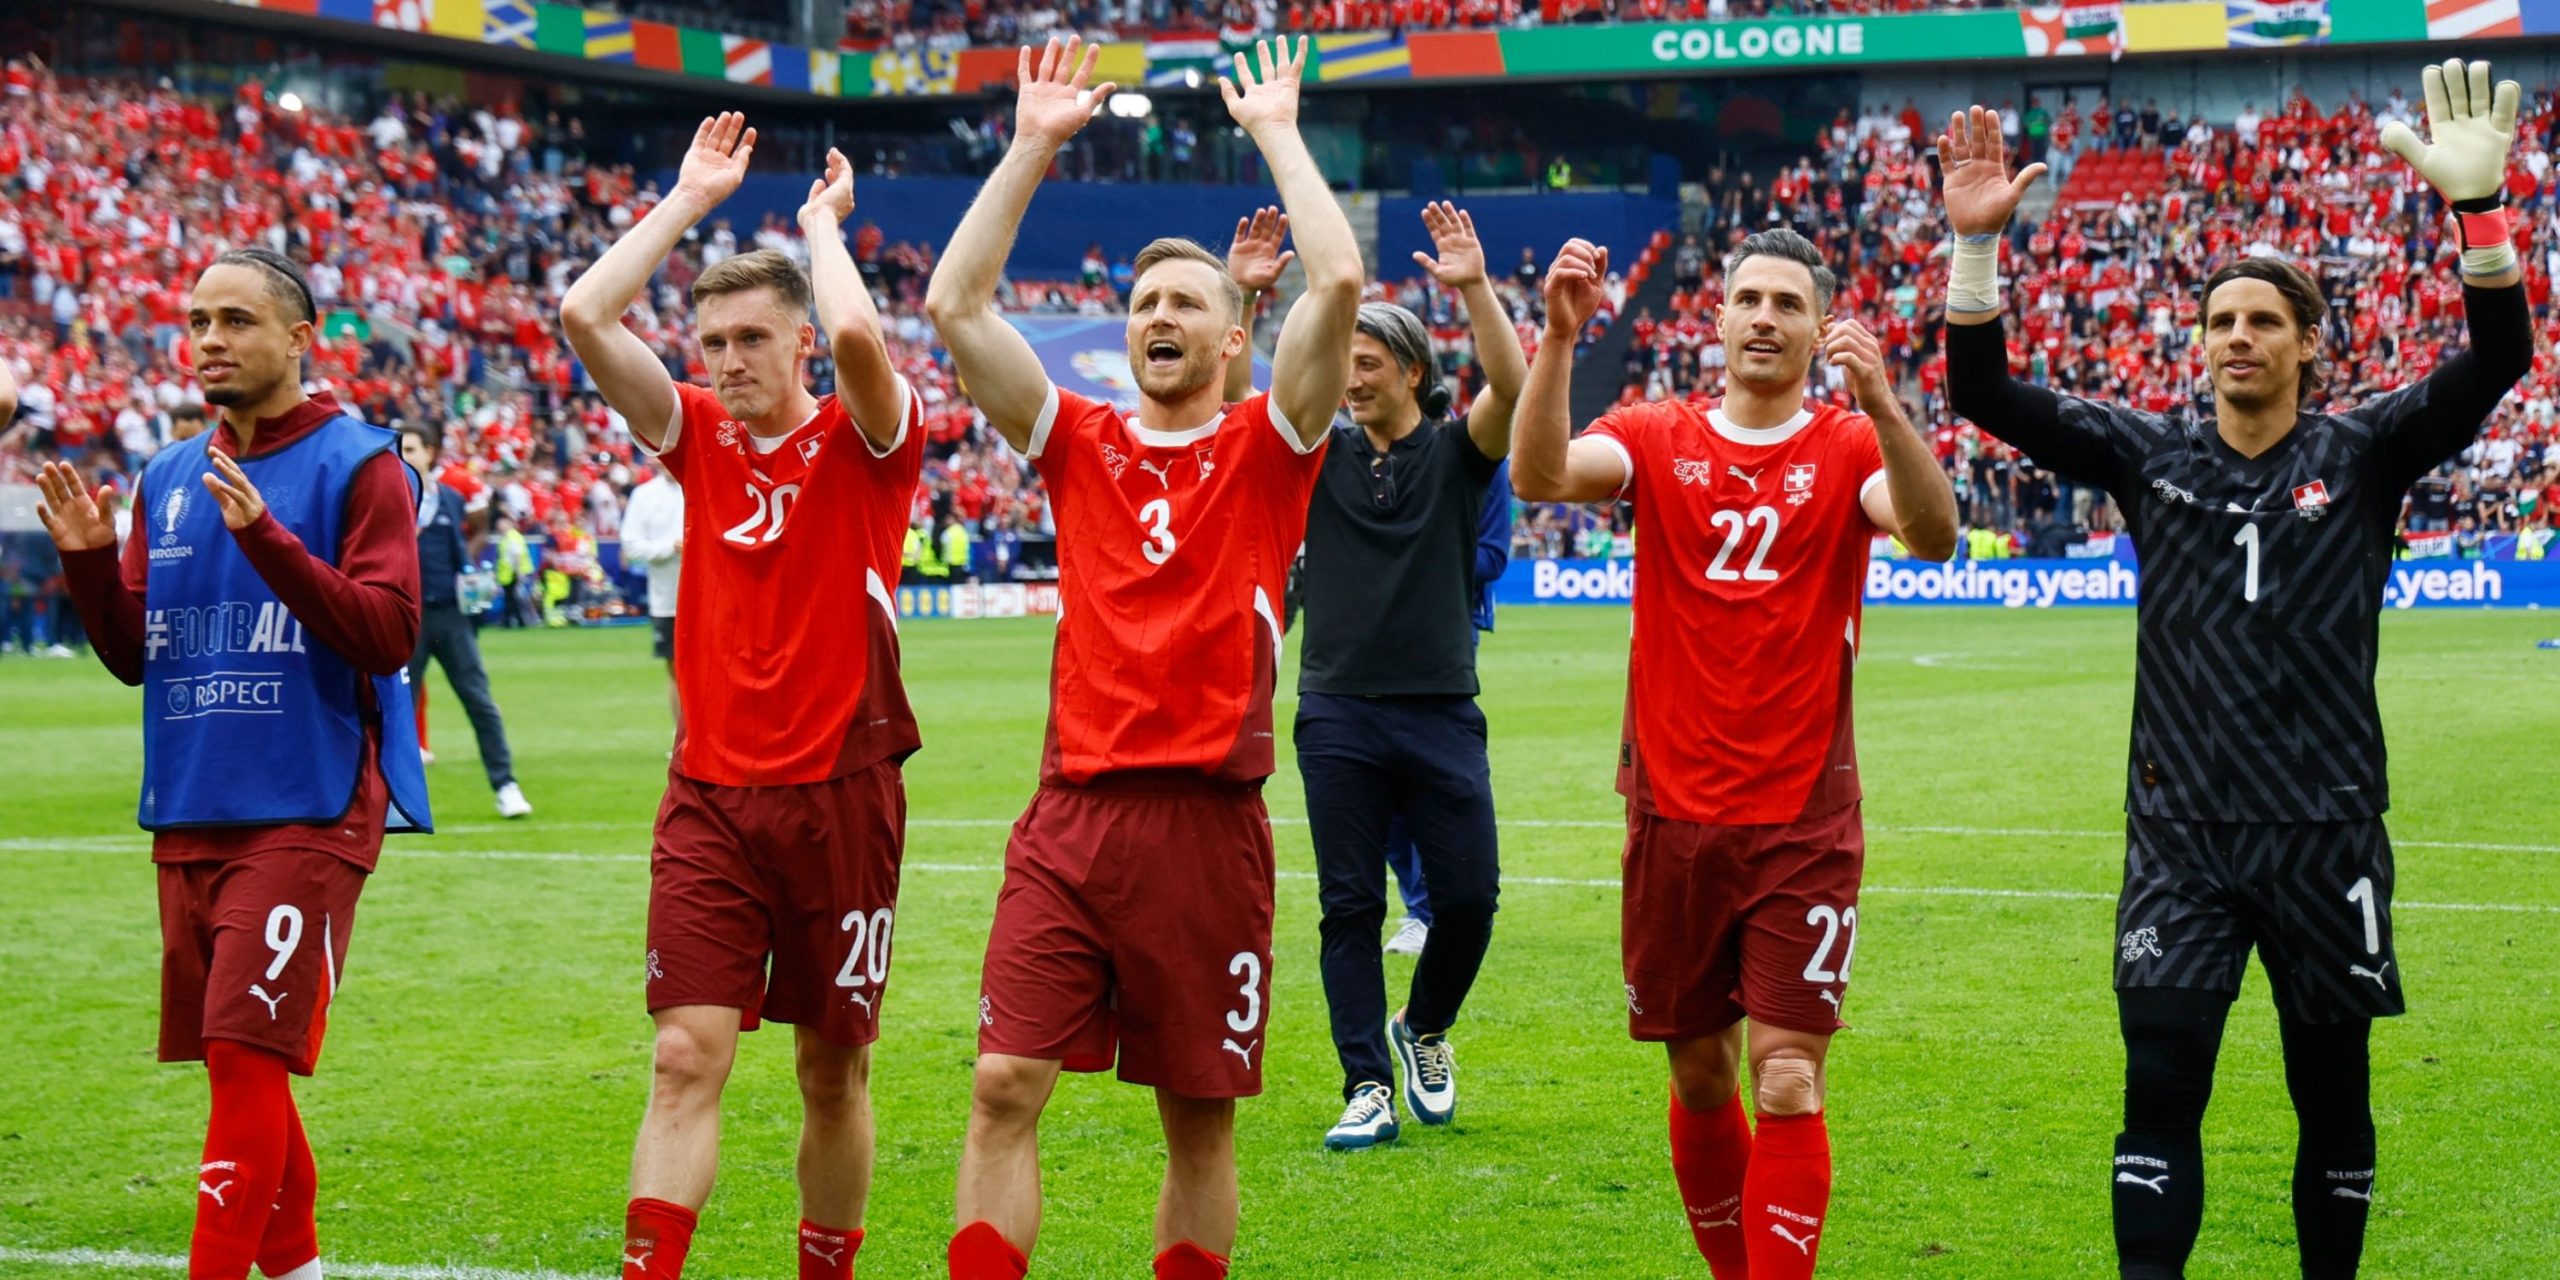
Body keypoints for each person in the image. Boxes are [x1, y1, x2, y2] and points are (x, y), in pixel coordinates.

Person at [1938, 61, 2528, 1280]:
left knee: (2332, 1094)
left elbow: (2494, 362)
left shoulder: (2363, 453)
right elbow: (1981, 388)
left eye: (2262, 320)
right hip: (2181, 835)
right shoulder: (2145, 454)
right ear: (2197, 342)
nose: (2237, 338)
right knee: (2158, 1087)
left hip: (2323, 830)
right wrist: (1976, 249)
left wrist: (2478, 215)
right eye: (2219, 321)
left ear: (2308, 341)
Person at [926, 36, 1358, 1280]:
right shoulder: (1077, 440)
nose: (1158, 317)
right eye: (1143, 304)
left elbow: (1337, 282)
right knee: (1003, 1080)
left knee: (1197, 1118)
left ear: (1231, 340)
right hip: (1070, 817)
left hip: (1206, 830)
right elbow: (957, 307)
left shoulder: (1270, 449)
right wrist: (1030, 144)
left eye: (1184, 304)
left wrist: (1276, 128)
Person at [1512, 227, 1957, 1279]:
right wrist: (1558, 341)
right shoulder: (1654, 431)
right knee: (1701, 1075)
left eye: (1787, 304)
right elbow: (1540, 473)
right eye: (1748, 299)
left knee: (1787, 1075)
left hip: (1804, 820)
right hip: (1671, 813)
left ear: (1819, 327)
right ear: (1715, 319)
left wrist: (1884, 404)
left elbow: (1934, 534)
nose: (1764, 317)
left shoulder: (1846, 445)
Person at [563, 125, 925, 1280]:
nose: (726, 361)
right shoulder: (697, 437)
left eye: (752, 337)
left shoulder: (869, 437)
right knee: (683, 1054)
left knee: (832, 1068)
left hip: (842, 795)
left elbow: (861, 336)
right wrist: (686, 198)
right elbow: (585, 314)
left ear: (800, 341)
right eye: (712, 341)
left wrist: (820, 225)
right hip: (709, 796)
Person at [37, 247, 432, 1280]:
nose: (211, 340)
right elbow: (135, 653)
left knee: (248, 1055)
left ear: (300, 339)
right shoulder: (167, 477)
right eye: (199, 321)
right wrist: (88, 563)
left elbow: (388, 633)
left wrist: (271, 543)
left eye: (237, 321)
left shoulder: (361, 464)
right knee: (238, 1062)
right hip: (192, 802)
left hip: (308, 803)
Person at [1225, 200, 1521, 1151]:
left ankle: (1422, 1027)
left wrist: (1474, 287)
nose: (1349, 379)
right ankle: (1366, 1086)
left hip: (1441, 710)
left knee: (1468, 899)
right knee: (1348, 908)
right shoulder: (1315, 457)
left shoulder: (1459, 455)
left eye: (1366, 363)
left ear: (1412, 372)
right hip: (1338, 712)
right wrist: (1244, 299)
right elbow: (1235, 409)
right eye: (1342, 362)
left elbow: (1513, 389)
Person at [398, 423, 532, 819]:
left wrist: (472, 587)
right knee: (394, 710)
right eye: (399, 449)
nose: (403, 457)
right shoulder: (385, 497)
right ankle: (386, 796)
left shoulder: (450, 499)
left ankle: (506, 785)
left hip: (449, 616)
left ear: (430, 453)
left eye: (411, 449)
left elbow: (461, 555)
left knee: (480, 702)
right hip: (405, 617)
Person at [620, 462, 685, 731]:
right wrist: (669, 547)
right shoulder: (644, 495)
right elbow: (631, 546)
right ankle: (683, 739)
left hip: (713, 595)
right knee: (676, 669)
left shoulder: (704, 484)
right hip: (667, 599)